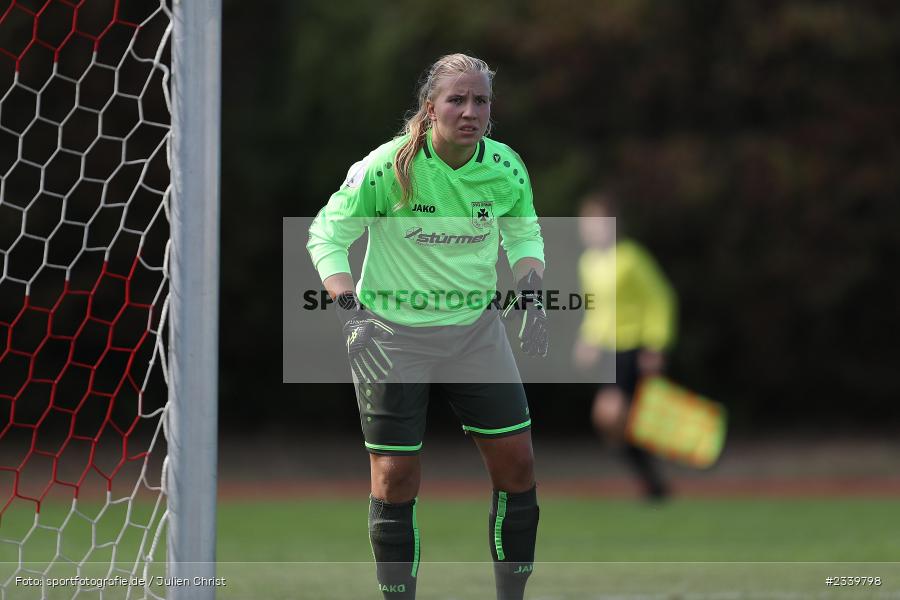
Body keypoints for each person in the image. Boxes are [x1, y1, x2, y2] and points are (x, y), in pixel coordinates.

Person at [307, 53, 547, 600]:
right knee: (394, 477)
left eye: (480, 100)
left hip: (475, 332)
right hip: (392, 335)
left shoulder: (505, 168)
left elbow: (525, 235)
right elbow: (326, 236)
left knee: (518, 464)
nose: (469, 111)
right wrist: (352, 312)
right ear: (430, 107)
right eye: (456, 99)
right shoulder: (389, 168)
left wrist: (531, 290)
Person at [572, 190, 677, 500]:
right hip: (606, 350)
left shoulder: (632, 258)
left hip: (631, 347)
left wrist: (656, 344)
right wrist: (587, 340)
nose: (593, 228)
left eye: (599, 222)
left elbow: (660, 299)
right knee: (610, 421)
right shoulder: (588, 263)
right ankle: (651, 478)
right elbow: (596, 309)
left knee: (609, 414)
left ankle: (651, 470)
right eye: (587, 223)